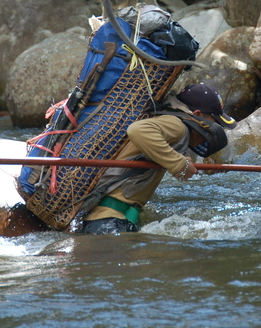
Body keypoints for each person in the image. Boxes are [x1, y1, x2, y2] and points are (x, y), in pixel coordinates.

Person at [78, 82, 237, 235]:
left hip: (110, 217)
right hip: (107, 220)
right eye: (215, 122)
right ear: (197, 115)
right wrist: (178, 165)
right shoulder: (178, 126)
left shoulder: (167, 120)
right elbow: (138, 130)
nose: (214, 131)